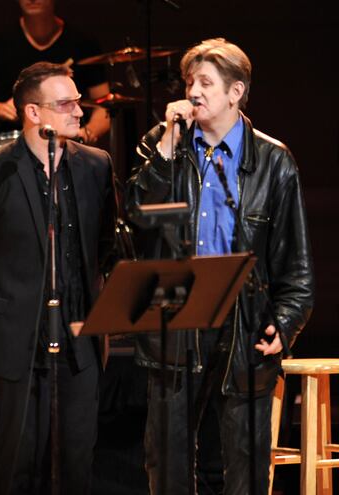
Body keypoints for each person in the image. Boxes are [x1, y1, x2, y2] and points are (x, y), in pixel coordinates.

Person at [126, 38, 315, 494]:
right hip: (176, 314)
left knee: (246, 464)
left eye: (206, 83)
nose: (193, 91)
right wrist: (167, 147)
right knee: (166, 459)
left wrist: (284, 325)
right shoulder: (164, 144)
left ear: (235, 92)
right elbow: (131, 221)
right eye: (190, 81)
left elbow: (298, 268)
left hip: (245, 320)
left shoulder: (273, 161)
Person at [0, 61, 116, 494]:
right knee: (18, 463)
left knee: (77, 461)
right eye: (66, 104)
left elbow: (104, 244)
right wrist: (12, 292)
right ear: (33, 113)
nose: (79, 112)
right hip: (17, 340)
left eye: (78, 102)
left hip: (80, 337)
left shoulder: (96, 165)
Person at [0, 0, 109, 145]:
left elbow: (104, 106)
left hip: (67, 145)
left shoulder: (83, 43)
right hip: (9, 147)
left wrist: (86, 132)